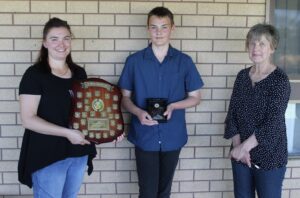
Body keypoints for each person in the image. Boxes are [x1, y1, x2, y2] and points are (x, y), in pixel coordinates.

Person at [118, 6, 204, 198]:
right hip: (144, 135)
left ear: (173, 28)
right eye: (154, 27)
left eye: (164, 27)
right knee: (147, 192)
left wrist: (174, 106)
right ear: (148, 29)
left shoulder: (184, 61)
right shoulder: (134, 61)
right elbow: (124, 98)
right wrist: (138, 112)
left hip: (172, 135)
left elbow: (196, 97)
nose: (158, 32)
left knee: (164, 192)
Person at [18, 17, 97, 198]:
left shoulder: (79, 73)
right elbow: (28, 119)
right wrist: (67, 133)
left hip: (77, 152)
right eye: (54, 39)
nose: (61, 44)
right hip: (48, 154)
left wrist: (109, 128)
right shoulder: (34, 75)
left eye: (66, 38)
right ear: (45, 43)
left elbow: (87, 110)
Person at [224, 23, 291, 198]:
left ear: (272, 48)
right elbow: (232, 114)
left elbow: (273, 123)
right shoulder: (242, 77)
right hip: (240, 156)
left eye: (262, 44)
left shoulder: (280, 80)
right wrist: (239, 148)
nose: (256, 48)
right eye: (252, 43)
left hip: (269, 157)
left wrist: (244, 148)